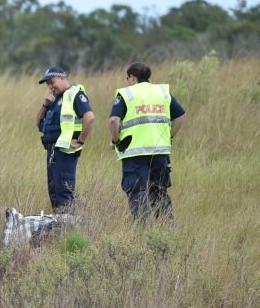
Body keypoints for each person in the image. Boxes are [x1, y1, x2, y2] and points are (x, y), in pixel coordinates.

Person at [109, 62, 186, 220]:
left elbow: (113, 121)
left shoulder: (127, 94)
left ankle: (143, 230)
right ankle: (166, 229)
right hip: (159, 152)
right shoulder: (162, 92)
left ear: (132, 77)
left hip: (134, 153)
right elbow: (180, 116)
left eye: (127, 77)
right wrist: (170, 136)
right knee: (159, 191)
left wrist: (115, 140)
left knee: (137, 192)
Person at [35, 66, 95, 212]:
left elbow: (89, 117)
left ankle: (67, 230)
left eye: (52, 82)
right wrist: (45, 105)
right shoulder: (54, 100)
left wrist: (80, 141)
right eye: (47, 84)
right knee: (54, 193)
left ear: (62, 78)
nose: (50, 87)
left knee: (63, 193)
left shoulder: (75, 94)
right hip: (53, 152)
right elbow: (38, 124)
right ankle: (60, 229)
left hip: (66, 153)